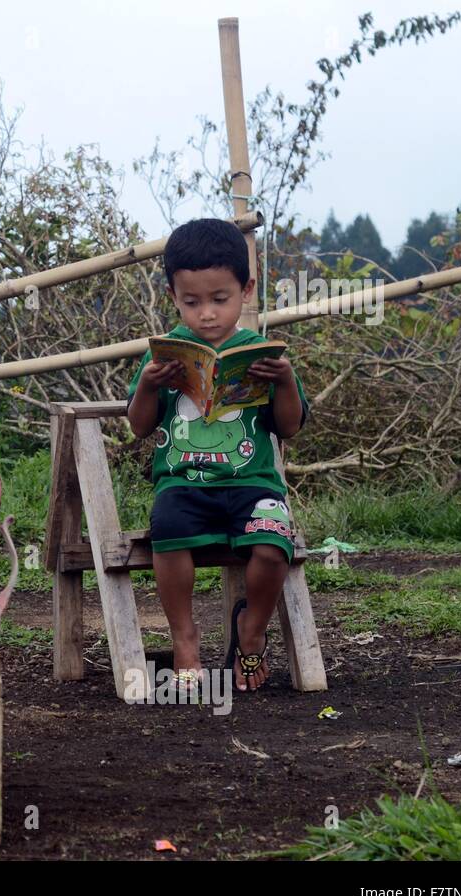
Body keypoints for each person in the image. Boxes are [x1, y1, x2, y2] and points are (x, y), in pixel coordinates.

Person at [126, 218, 309, 693]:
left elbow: (289, 426)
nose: (206, 314)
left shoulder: (261, 353)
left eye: (219, 299)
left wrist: (285, 381)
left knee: (273, 545)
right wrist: (149, 385)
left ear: (246, 290)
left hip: (253, 486)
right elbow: (139, 425)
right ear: (172, 296)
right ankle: (184, 639)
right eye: (191, 302)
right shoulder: (164, 355)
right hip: (183, 484)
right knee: (167, 529)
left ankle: (251, 630)